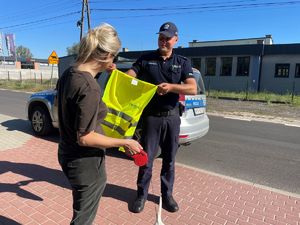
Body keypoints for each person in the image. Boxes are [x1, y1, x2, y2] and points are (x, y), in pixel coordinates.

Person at [56, 23, 142, 225]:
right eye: (114, 56)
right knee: (83, 220)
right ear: (106, 55)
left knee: (81, 210)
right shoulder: (90, 88)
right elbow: (85, 137)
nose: (114, 61)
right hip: (85, 164)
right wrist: (124, 142)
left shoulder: (70, 73)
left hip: (67, 153)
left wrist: (103, 69)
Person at [126, 22, 197, 213]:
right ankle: (141, 195)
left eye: (167, 38)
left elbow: (192, 87)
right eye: (160, 37)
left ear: (176, 39)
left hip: (172, 118)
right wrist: (116, 73)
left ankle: (167, 196)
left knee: (170, 161)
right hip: (151, 118)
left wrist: (171, 87)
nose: (163, 41)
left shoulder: (183, 62)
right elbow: (129, 77)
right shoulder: (145, 59)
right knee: (146, 159)